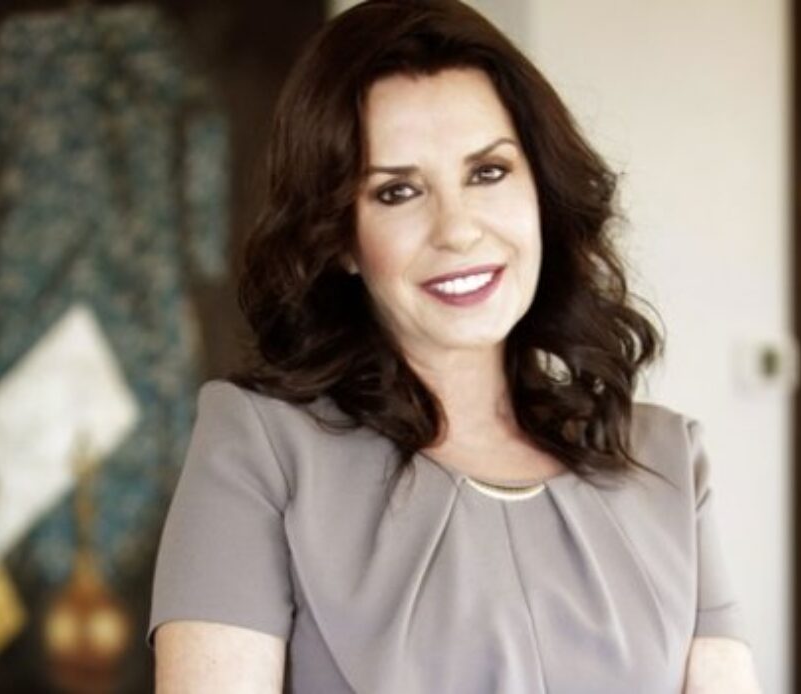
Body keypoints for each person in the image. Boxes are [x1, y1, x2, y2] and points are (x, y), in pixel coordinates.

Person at [147, 0, 761, 691]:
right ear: (340, 237)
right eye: (398, 191)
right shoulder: (262, 448)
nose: (458, 230)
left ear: (541, 190)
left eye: (488, 172)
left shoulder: (670, 462)